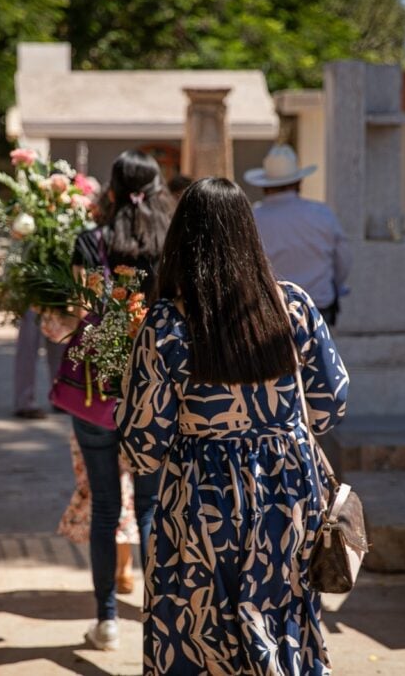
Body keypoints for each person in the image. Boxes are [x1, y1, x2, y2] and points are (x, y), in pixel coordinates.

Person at [117, 178, 349, 675]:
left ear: (181, 240)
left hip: (201, 503)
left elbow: (143, 448)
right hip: (288, 500)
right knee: (282, 621)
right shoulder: (295, 307)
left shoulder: (167, 325)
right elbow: (330, 406)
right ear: (250, 233)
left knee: (199, 630)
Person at [70, 149, 175, 651]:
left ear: (110, 192)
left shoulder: (90, 243)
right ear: (159, 193)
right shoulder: (170, 245)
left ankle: (106, 620)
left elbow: (81, 314)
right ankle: (159, 612)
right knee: (153, 505)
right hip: (156, 392)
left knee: (107, 507)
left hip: (97, 390)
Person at [244, 144, 351, 326]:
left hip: (271, 310)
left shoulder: (253, 219)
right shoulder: (322, 214)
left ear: (265, 186)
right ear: (299, 183)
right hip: (317, 307)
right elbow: (343, 260)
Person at [57, 435, 140, 594]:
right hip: (136, 421)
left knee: (102, 502)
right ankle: (125, 568)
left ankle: (106, 607)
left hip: (93, 419)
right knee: (132, 496)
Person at [12, 314, 64, 419]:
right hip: (32, 302)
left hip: (60, 300)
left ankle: (61, 397)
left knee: (60, 345)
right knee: (28, 346)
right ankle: (24, 402)